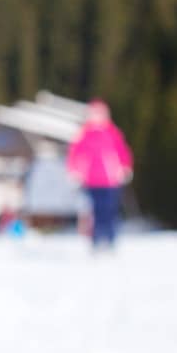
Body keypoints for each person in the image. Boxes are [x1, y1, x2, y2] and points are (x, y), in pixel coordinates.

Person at [66, 100, 133, 250]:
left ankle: (109, 239)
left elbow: (122, 151)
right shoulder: (84, 134)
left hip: (110, 180)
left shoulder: (112, 133)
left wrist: (125, 167)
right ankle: (95, 240)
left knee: (109, 210)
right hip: (90, 180)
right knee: (94, 212)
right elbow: (75, 154)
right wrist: (74, 171)